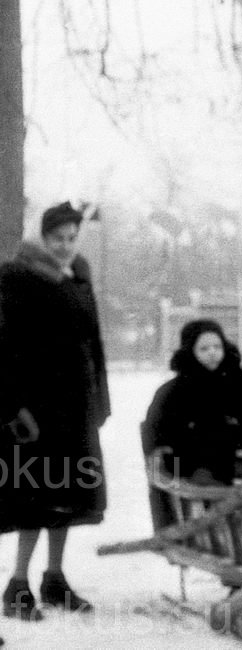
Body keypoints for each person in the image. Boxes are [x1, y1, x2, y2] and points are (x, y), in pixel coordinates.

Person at [0, 202, 111, 621]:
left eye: (71, 238)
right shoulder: (17, 277)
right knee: (36, 497)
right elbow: (5, 350)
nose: (65, 246)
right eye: (56, 238)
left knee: (69, 497)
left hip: (76, 406)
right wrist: (13, 408)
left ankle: (54, 578)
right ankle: (17, 584)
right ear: (40, 237)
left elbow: (93, 342)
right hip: (36, 410)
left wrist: (100, 398)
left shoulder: (78, 275)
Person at [141, 320, 242, 528]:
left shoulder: (239, 384)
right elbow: (156, 430)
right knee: (209, 484)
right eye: (204, 348)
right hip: (193, 464)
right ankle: (217, 531)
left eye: (217, 347)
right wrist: (163, 451)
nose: (212, 353)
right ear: (190, 351)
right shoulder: (173, 392)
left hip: (237, 459)